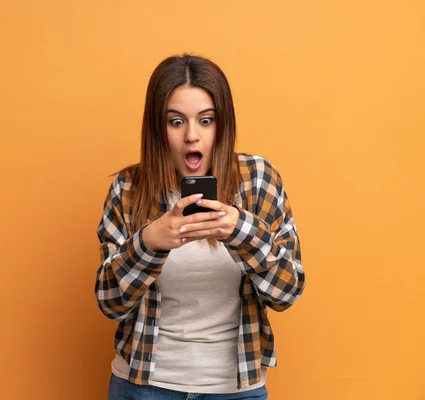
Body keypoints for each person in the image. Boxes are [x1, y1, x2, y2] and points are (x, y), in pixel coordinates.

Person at [94, 54, 306, 400]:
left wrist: (241, 231)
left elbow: (288, 292)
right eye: (176, 122)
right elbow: (110, 303)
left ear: (223, 124)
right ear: (157, 128)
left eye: (206, 120)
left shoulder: (258, 181)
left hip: (236, 390)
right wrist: (150, 242)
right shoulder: (129, 188)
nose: (192, 136)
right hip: (144, 387)